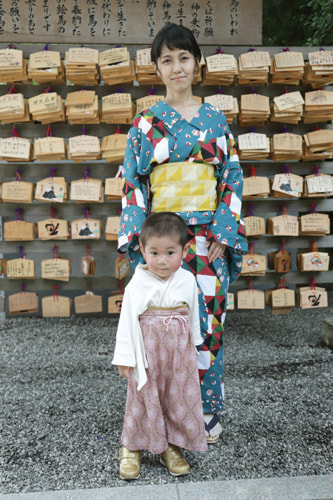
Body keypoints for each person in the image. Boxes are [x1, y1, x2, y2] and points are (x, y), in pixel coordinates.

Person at [118, 23, 247, 444]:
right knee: (158, 327)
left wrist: (225, 234)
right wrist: (140, 247)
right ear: (156, 68)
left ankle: (205, 409)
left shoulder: (215, 120)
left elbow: (231, 177)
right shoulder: (145, 123)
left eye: (184, 58)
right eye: (167, 60)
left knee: (206, 326)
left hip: (207, 239)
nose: (177, 67)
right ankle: (164, 412)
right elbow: (134, 185)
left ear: (198, 63)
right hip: (162, 244)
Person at [112, 212, 208, 480]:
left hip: (178, 352)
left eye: (170, 252)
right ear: (141, 250)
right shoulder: (138, 283)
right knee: (141, 398)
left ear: (184, 250)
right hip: (147, 352)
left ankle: (170, 446)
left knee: (175, 398)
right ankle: (131, 447)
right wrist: (125, 357)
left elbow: (192, 316)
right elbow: (127, 320)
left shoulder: (187, 280)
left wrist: (195, 345)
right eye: (153, 253)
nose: (162, 260)